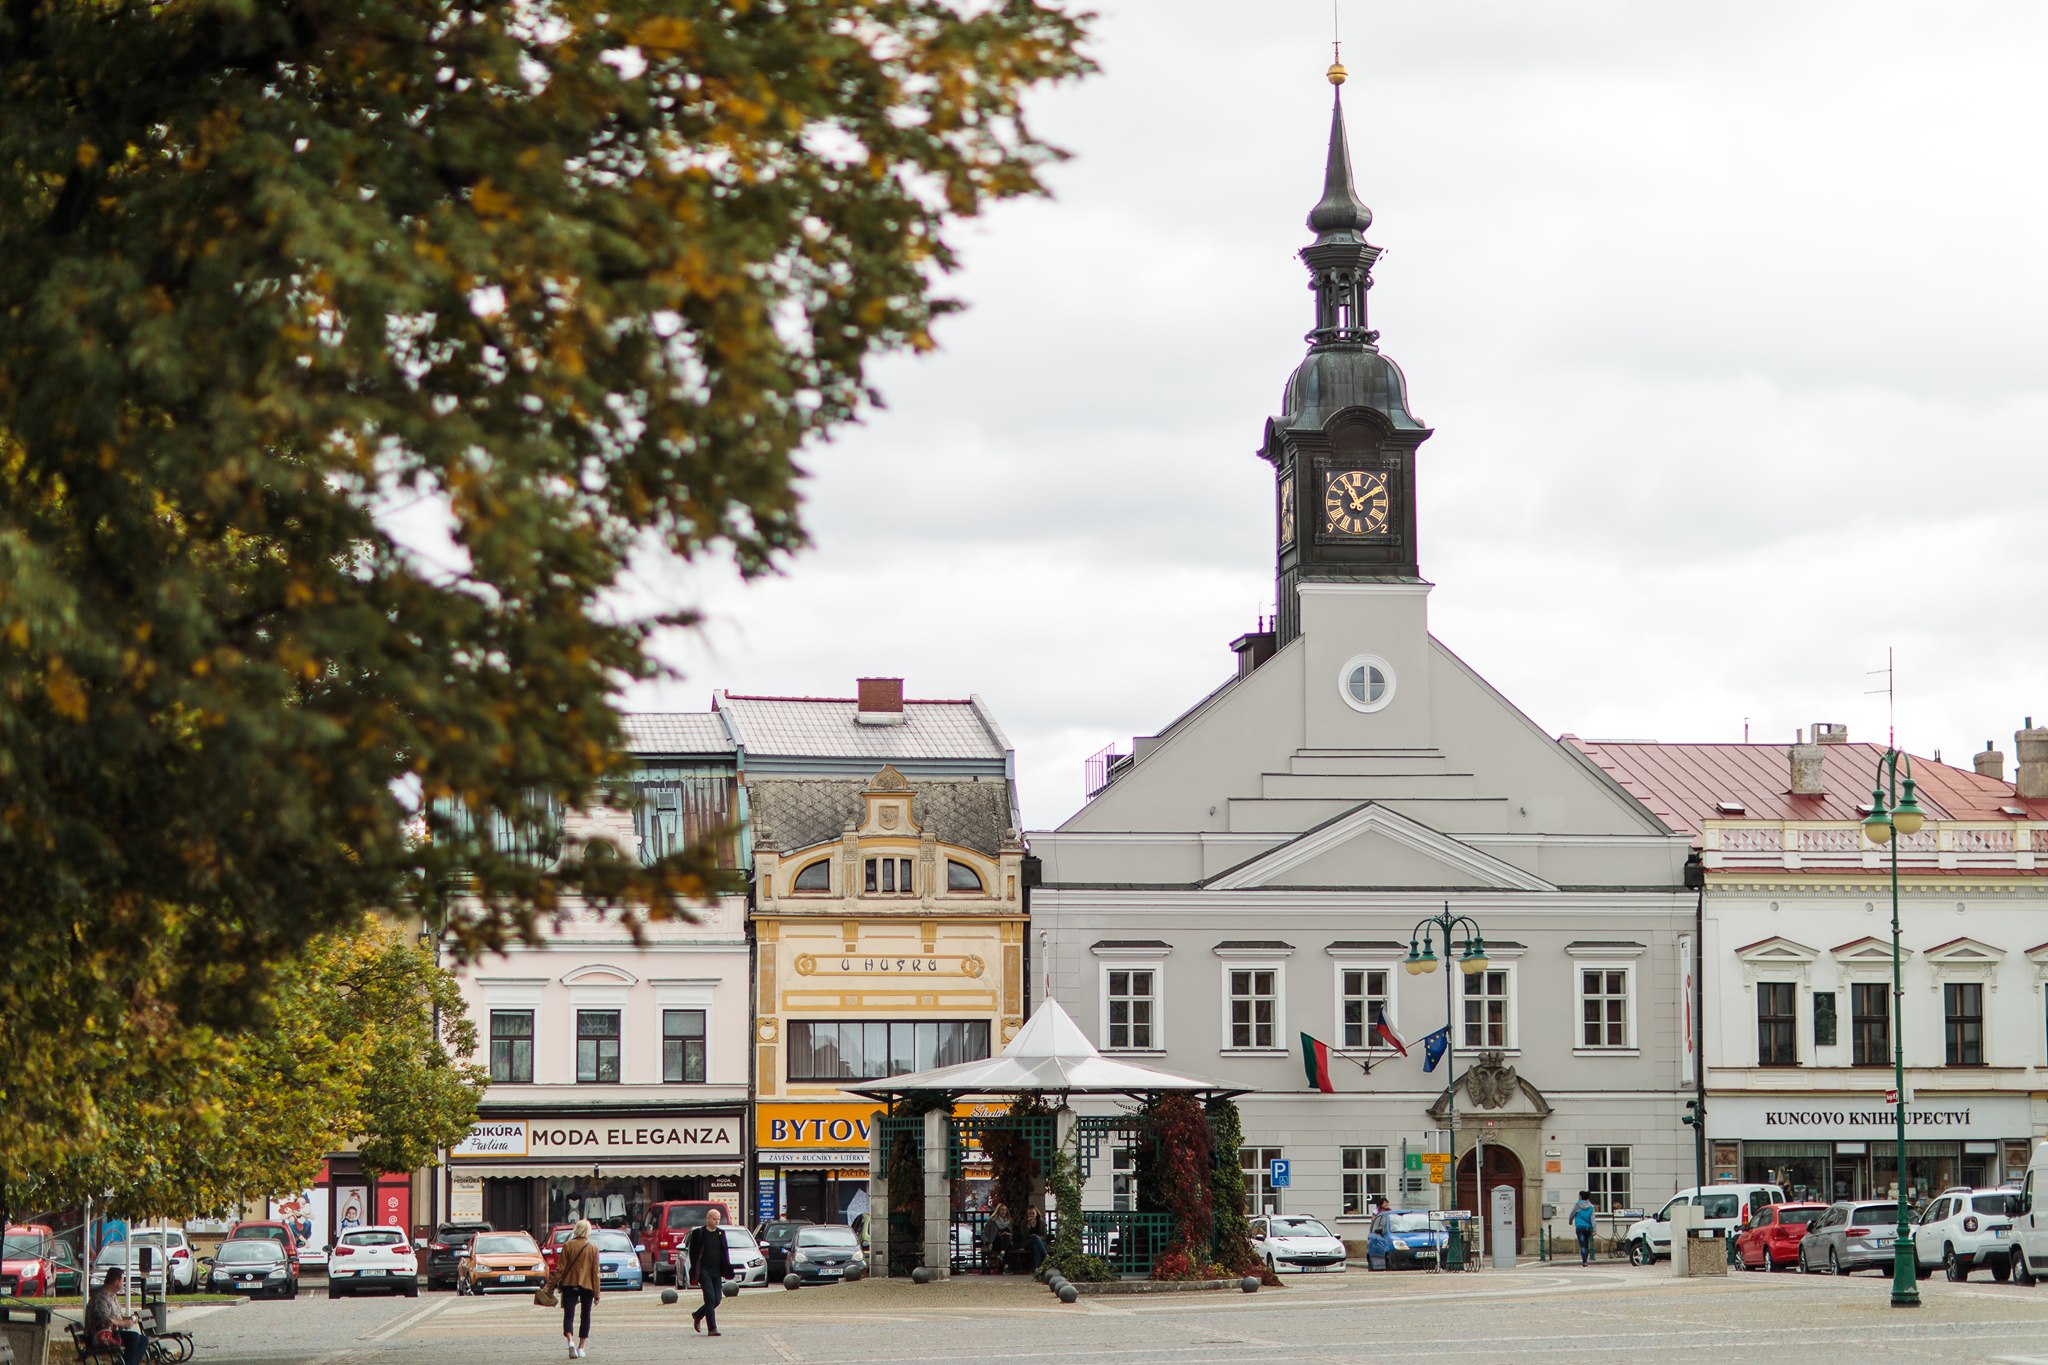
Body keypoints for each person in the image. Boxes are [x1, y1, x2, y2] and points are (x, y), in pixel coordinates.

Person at [550, 1217, 601, 1359]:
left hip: (569, 1285)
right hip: (587, 1286)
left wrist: (551, 1284)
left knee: (569, 1315)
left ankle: (570, 1342)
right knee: (585, 1316)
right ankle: (581, 1348)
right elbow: (595, 1273)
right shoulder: (593, 1248)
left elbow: (561, 1269)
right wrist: (597, 1293)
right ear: (588, 1231)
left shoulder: (568, 1246)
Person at [685, 1208, 732, 1338]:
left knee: (717, 1299)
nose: (717, 1221)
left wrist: (727, 1268)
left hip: (716, 1270)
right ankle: (712, 1328)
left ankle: (698, 1315)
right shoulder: (698, 1233)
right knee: (710, 1298)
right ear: (707, 1219)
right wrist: (695, 1271)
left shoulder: (721, 1234)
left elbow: (725, 1253)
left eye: (718, 1219)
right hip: (703, 1270)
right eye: (714, 1219)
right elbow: (693, 1254)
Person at [86, 1267, 147, 1365]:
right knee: (134, 1337)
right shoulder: (100, 1298)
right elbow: (105, 1319)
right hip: (102, 1334)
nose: (123, 1284)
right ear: (116, 1282)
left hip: (114, 1332)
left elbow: (117, 1317)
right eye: (122, 1281)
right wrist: (123, 1323)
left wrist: (129, 1319)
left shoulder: (113, 1296)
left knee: (144, 1339)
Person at [982, 1203, 1014, 1274]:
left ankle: (1002, 1254)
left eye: (1005, 1210)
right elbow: (983, 1233)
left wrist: (1007, 1234)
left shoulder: (1009, 1221)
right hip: (995, 1242)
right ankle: (1006, 1268)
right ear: (998, 1211)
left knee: (1007, 1238)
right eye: (1002, 1210)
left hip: (1006, 1242)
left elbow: (1011, 1234)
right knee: (1007, 1245)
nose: (1003, 1211)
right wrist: (988, 1243)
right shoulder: (992, 1220)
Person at [1571, 1191, 1597, 1266]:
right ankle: (1585, 1260)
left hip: (1580, 1227)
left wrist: (1570, 1221)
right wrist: (1594, 1229)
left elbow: (1572, 1214)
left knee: (1582, 1245)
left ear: (1580, 1197)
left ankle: (1584, 1261)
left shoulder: (1577, 1205)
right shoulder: (1591, 1207)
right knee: (1586, 1244)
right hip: (1588, 1228)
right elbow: (1592, 1219)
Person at [1021, 1205, 1047, 1274]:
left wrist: (1037, 1238)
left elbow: (1044, 1236)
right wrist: (1028, 1227)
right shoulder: (1024, 1222)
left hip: (1039, 1242)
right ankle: (1046, 1255)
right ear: (1027, 1214)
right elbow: (1024, 1236)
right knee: (1035, 1237)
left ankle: (1037, 1268)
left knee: (1036, 1245)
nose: (1031, 1215)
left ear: (1036, 1213)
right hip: (1028, 1242)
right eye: (1030, 1213)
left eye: (1033, 1213)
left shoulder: (1041, 1222)